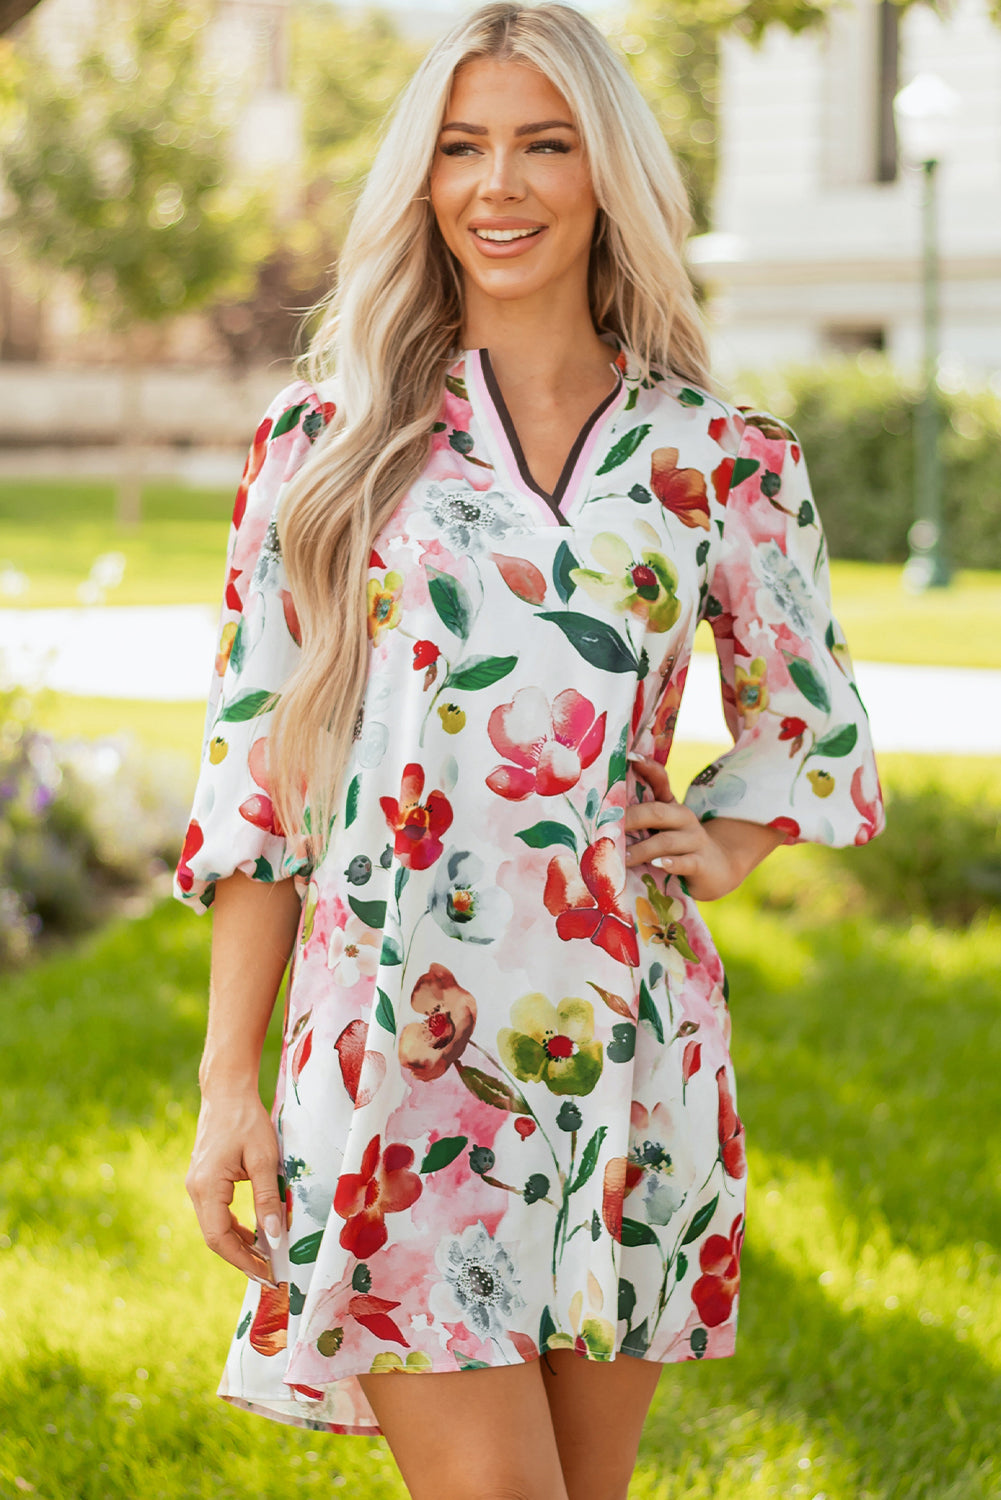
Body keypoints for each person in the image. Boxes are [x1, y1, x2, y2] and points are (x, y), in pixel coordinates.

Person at [176, 4, 885, 1496]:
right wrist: (227, 1088)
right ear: (421, 184)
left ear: (606, 173)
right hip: (395, 1055)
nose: (499, 185)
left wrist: (736, 832)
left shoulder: (721, 458)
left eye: (542, 146)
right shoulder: (323, 446)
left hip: (630, 1052)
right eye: (462, 147)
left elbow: (807, 720)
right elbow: (258, 784)